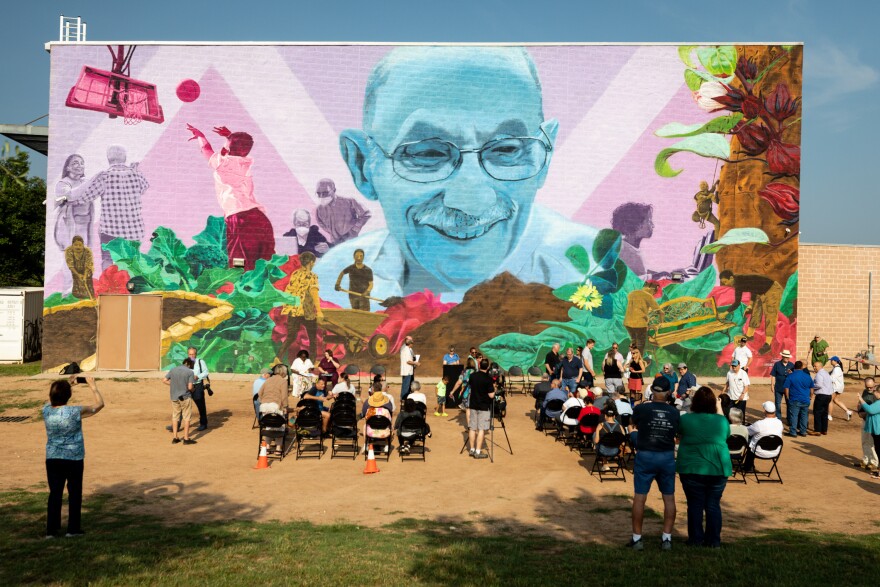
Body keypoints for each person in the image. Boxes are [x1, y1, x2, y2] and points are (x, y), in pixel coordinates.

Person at [316, 46, 598, 306]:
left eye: (506, 149)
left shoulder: (596, 273)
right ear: (363, 166)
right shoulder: (328, 284)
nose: (471, 201)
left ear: (543, 156)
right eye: (428, 154)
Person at [185, 124, 275, 270]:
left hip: (240, 219)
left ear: (229, 148)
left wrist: (201, 136)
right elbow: (237, 149)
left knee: (239, 263)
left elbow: (206, 150)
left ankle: (239, 287)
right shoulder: (245, 162)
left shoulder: (223, 163)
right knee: (262, 262)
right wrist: (230, 137)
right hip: (260, 220)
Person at [61, 145, 150, 270]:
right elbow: (144, 187)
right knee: (132, 261)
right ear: (124, 158)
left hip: (110, 229)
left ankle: (109, 286)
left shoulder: (105, 176)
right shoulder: (137, 175)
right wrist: (133, 170)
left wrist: (71, 202)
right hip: (134, 230)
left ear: (109, 159)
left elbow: (87, 197)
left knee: (108, 259)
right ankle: (130, 286)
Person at [43, 377, 104, 538]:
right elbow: (99, 405)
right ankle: (73, 529)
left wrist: (65, 385)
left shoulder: (46, 411)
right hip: (74, 457)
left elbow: (49, 401)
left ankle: (51, 530)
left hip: (53, 457)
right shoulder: (75, 412)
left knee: (55, 493)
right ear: (68, 396)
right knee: (75, 493)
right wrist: (93, 386)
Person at [628, 377, 680, 551]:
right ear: (668, 393)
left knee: (640, 497)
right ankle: (667, 538)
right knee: (669, 497)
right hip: (666, 457)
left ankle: (637, 539)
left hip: (645, 456)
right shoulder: (674, 412)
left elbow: (632, 425)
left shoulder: (641, 408)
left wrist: (635, 436)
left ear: (652, 391)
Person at [676, 386, 731, 548]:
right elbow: (726, 434)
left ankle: (695, 539)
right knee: (713, 505)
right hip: (718, 468)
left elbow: (679, 434)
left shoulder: (686, 419)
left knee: (695, 504)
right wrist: (720, 409)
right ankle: (714, 541)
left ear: (694, 403)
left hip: (692, 467)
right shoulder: (721, 420)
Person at [717, 270, 783, 355]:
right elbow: (753, 288)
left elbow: (737, 303)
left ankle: (767, 345)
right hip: (760, 291)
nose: (725, 284)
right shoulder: (737, 282)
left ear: (731, 278)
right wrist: (751, 304)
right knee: (755, 313)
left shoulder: (739, 283)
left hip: (772, 290)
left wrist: (725, 313)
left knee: (770, 316)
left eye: (725, 282)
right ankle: (749, 335)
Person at [278, 252, 323, 362]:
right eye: (313, 262)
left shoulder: (295, 274)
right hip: (307, 311)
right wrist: (319, 311)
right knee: (313, 339)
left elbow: (289, 291)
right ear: (311, 262)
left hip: (294, 310)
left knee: (290, 337)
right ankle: (312, 362)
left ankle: (278, 357)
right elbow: (314, 294)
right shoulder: (312, 276)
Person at [314, 178, 372, 245]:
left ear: (334, 191)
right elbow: (321, 223)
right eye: (319, 194)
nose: (321, 197)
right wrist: (332, 231)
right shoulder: (319, 210)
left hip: (352, 241)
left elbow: (366, 214)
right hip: (335, 244)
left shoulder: (349, 202)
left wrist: (354, 229)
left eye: (325, 193)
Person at [613, 202, 654, 280]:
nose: (652, 225)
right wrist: (655, 276)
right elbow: (624, 281)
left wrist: (670, 275)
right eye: (648, 221)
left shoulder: (631, 247)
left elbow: (640, 272)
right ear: (636, 225)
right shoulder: (621, 249)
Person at [466, 359, 495, 459]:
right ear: (487, 367)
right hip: (483, 407)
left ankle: (472, 449)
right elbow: (491, 395)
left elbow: (470, 386)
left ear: (479, 365)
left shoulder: (473, 375)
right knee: (481, 429)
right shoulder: (488, 379)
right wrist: (494, 389)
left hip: (473, 405)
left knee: (472, 428)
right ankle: (478, 452)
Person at [743, 401, 784, 471]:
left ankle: (748, 466)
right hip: (774, 451)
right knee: (755, 440)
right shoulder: (780, 423)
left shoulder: (759, 424)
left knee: (748, 441)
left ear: (765, 411)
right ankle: (749, 465)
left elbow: (747, 432)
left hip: (759, 451)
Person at [163, 358, 196, 445]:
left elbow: (164, 380)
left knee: (175, 416)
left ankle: (175, 437)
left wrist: (174, 384)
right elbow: (189, 387)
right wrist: (193, 389)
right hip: (185, 397)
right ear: (189, 364)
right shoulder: (190, 372)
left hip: (174, 397)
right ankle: (186, 438)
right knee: (187, 417)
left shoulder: (173, 370)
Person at [623, 282, 661, 352]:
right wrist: (661, 322)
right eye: (654, 292)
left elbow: (637, 307)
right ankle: (638, 361)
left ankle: (632, 360)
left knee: (634, 341)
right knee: (640, 344)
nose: (654, 294)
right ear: (652, 289)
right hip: (639, 323)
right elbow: (659, 311)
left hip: (627, 323)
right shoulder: (648, 296)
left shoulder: (632, 293)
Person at [855, 385, 880, 479]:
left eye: (875, 392)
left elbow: (870, 410)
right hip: (877, 429)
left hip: (878, 430)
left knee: (879, 450)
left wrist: (861, 400)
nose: (874, 393)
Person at [783, 361, 813, 437]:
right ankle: (803, 431)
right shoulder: (807, 376)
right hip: (805, 399)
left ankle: (793, 432)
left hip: (795, 399)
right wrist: (810, 396)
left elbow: (786, 388)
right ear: (802, 367)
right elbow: (812, 388)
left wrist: (787, 397)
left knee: (794, 415)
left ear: (794, 367)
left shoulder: (790, 376)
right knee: (804, 415)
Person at [593, 403, 624, 471]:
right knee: (609, 441)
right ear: (614, 417)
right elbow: (623, 441)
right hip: (615, 451)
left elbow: (596, 441)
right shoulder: (620, 426)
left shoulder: (600, 425)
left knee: (598, 440)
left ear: (605, 416)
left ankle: (605, 463)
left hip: (602, 451)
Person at [188, 347, 210, 431]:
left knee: (201, 406)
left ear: (196, 354)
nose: (191, 356)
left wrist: (198, 376)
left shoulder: (200, 361)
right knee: (182, 405)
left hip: (197, 386)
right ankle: (176, 424)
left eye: (193, 354)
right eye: (190, 354)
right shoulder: (186, 362)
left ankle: (203, 424)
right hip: (187, 386)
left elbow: (206, 372)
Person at [723, 360, 750, 424]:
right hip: (731, 397)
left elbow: (746, 386)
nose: (734, 367)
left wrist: (742, 394)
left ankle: (741, 427)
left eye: (735, 366)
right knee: (729, 414)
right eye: (732, 366)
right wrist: (723, 391)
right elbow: (727, 383)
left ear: (739, 366)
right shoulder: (729, 373)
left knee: (741, 414)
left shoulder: (743, 373)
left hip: (741, 398)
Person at [770, 350, 794, 420]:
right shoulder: (777, 364)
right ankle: (778, 418)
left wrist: (792, 373)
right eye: (786, 357)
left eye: (788, 357)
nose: (787, 358)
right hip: (778, 387)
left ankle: (789, 418)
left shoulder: (792, 365)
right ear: (782, 357)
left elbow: (795, 376)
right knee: (777, 403)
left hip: (789, 388)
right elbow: (773, 375)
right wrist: (772, 385)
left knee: (789, 403)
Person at [811, 361, 833, 435]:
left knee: (817, 412)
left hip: (821, 395)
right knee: (824, 413)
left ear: (820, 366)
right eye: (813, 366)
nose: (814, 368)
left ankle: (817, 430)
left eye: (815, 366)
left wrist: (812, 387)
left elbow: (819, 385)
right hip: (828, 395)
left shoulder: (819, 374)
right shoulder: (826, 373)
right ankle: (824, 429)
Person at [828, 356, 852, 421]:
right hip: (839, 387)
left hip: (836, 387)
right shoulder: (836, 368)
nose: (830, 361)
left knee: (830, 400)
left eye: (831, 360)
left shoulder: (836, 369)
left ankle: (829, 415)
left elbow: (832, 379)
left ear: (835, 361)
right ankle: (848, 412)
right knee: (836, 400)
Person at [400, 336, 419, 402]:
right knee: (406, 385)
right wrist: (416, 363)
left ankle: (406, 398)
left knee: (408, 385)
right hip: (407, 370)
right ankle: (403, 399)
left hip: (409, 370)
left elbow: (412, 356)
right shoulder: (406, 349)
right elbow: (408, 361)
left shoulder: (408, 349)